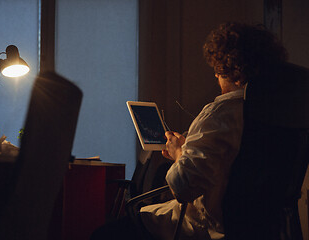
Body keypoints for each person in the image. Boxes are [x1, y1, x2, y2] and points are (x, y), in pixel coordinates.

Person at [91, 22, 287, 240]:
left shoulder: (221, 113)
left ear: (237, 74)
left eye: (219, 70)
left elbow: (183, 188)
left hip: (206, 228)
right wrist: (188, 150)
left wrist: (178, 153)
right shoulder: (278, 117)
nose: (215, 76)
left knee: (105, 233)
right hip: (259, 229)